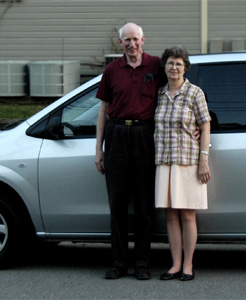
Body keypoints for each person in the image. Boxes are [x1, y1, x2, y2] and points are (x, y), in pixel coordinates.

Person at [95, 22, 165, 280]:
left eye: (135, 39)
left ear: (143, 40)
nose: (131, 44)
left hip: (146, 136)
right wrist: (99, 149)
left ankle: (143, 263)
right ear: (120, 42)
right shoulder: (112, 70)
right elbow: (103, 110)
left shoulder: (157, 66)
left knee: (145, 206)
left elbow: (177, 94)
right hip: (117, 136)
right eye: (127, 40)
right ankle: (118, 263)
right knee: (118, 205)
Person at [154, 45, 212, 282]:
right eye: (170, 63)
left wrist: (203, 158)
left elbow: (205, 125)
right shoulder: (159, 94)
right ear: (164, 67)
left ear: (185, 67)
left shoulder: (194, 93)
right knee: (170, 215)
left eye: (178, 63)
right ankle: (175, 264)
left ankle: (188, 264)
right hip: (164, 161)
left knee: (188, 214)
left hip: (188, 161)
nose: (174, 67)